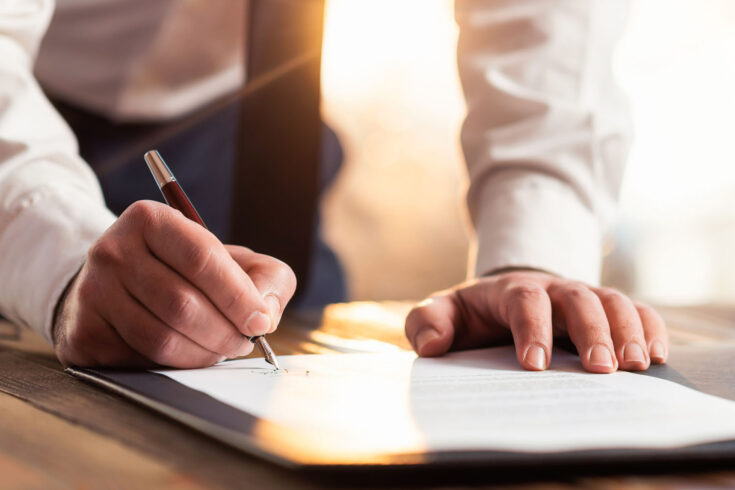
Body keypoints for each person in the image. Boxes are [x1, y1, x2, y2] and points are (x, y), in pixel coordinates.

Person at [0, 0, 667, 373]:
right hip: (27, 118)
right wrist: (57, 253)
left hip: (257, 118)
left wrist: (531, 259)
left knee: (282, 351)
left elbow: (546, 27)